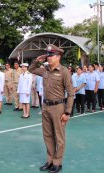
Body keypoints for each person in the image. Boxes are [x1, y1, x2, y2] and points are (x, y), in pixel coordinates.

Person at [28, 44, 74, 173]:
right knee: (47, 135)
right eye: (48, 55)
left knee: (59, 137)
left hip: (58, 107)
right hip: (46, 106)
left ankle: (57, 163)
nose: (49, 57)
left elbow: (71, 93)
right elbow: (31, 70)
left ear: (58, 57)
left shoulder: (64, 72)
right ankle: (50, 161)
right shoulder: (45, 70)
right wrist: (37, 60)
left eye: (51, 55)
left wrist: (67, 112)